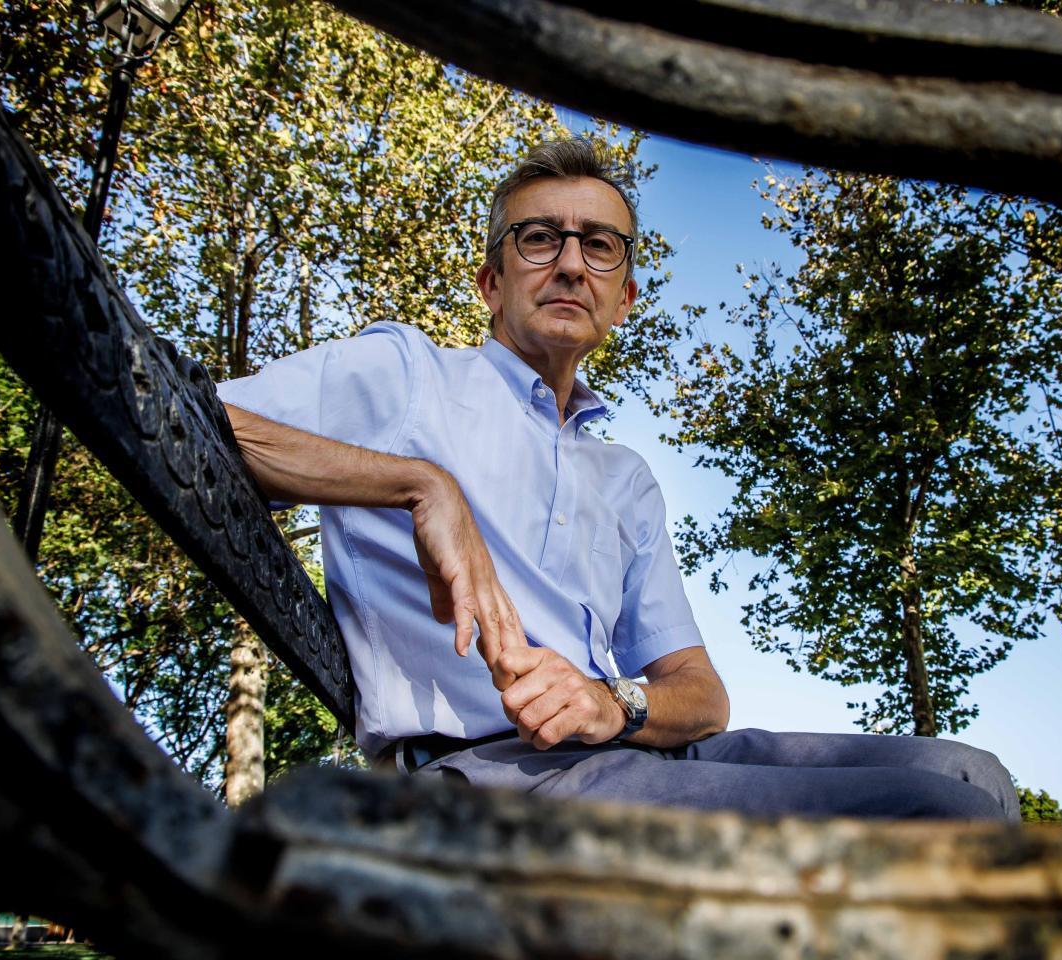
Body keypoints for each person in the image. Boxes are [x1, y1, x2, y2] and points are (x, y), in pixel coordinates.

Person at [217, 139, 1018, 821]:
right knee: (943, 816)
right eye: (539, 239)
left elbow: (700, 695)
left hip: (633, 761)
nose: (571, 263)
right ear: (491, 282)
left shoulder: (624, 478)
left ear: (624, 298)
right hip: (484, 780)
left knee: (971, 775)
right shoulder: (404, 377)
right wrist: (423, 486)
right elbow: (189, 413)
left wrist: (614, 702)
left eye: (599, 246)